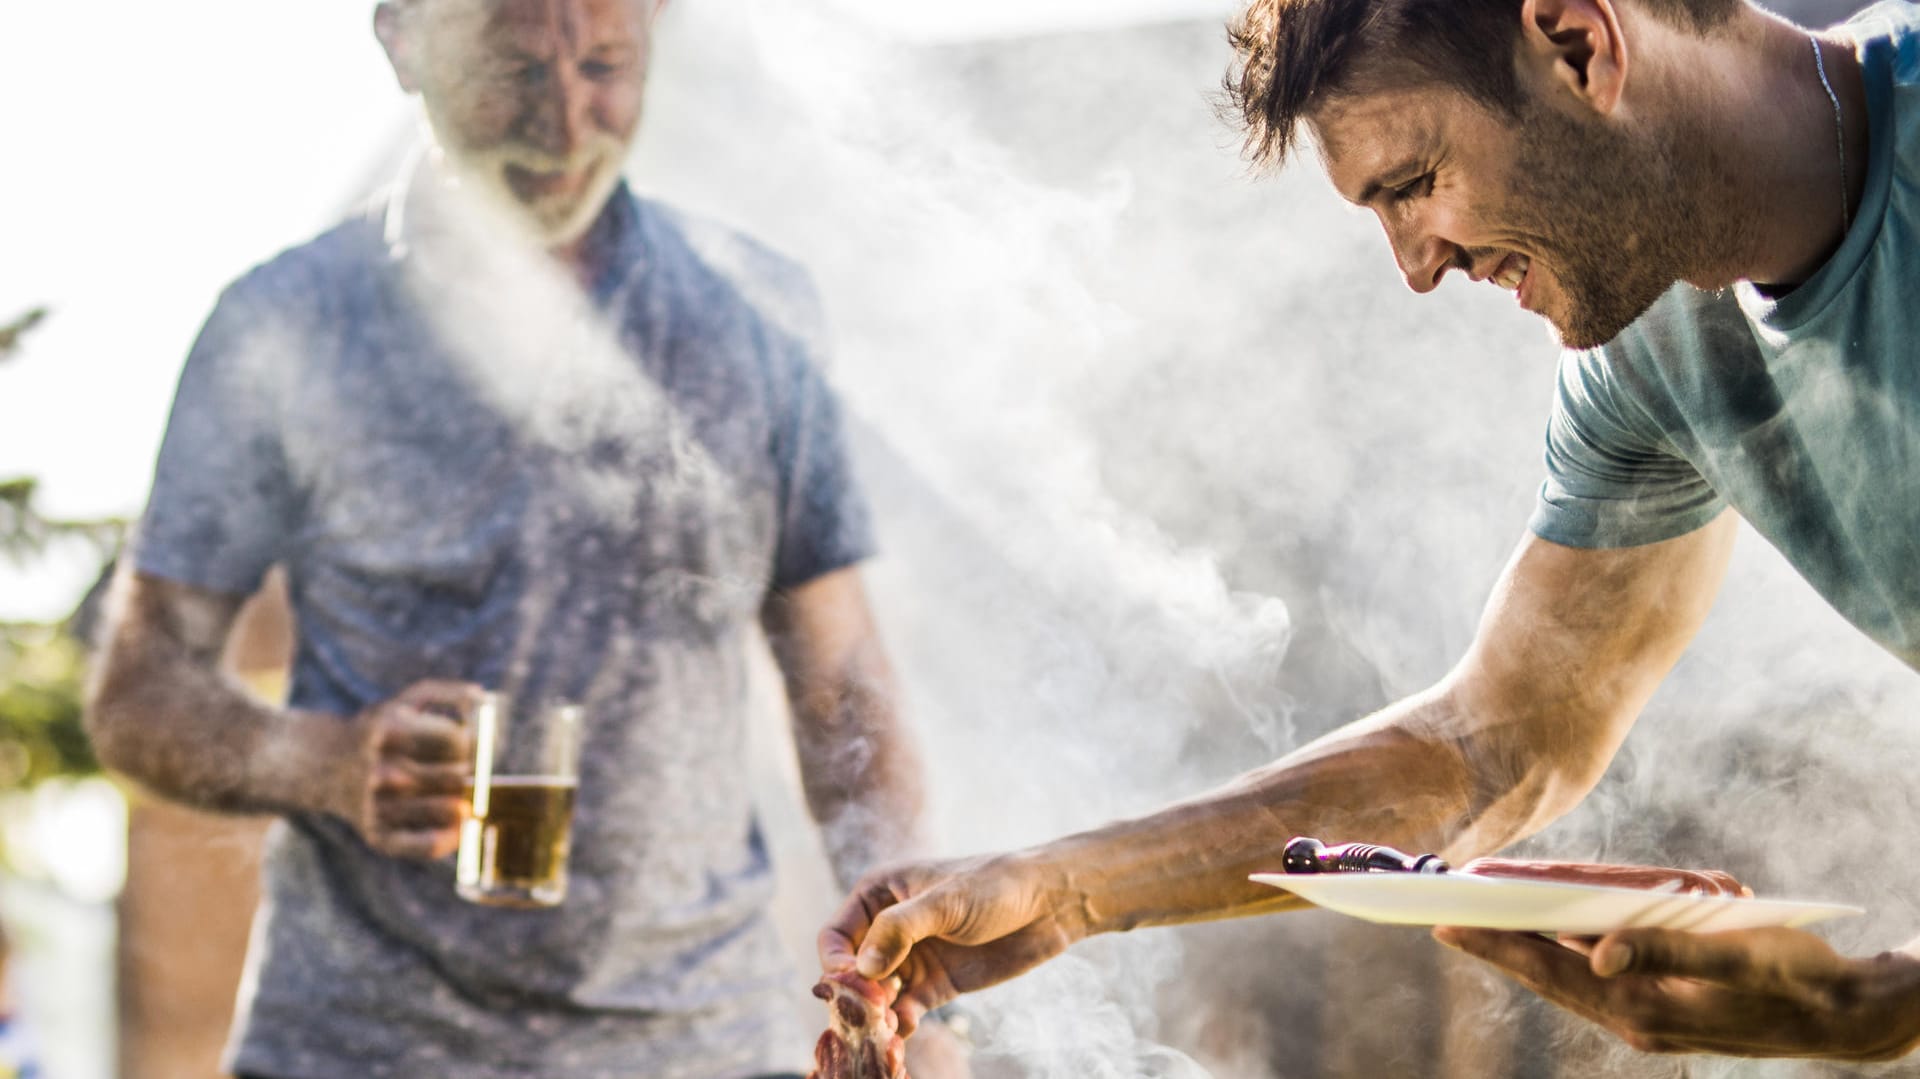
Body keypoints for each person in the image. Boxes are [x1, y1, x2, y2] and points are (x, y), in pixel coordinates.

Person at [817, 0, 1920, 1062]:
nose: (1419, 267)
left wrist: (1885, 1001)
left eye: (1416, 184)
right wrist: (1062, 887)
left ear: (1578, 44)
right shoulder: (1647, 352)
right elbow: (1493, 742)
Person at [85, 1, 965, 1076]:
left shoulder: (757, 308)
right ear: (401, 41)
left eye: (605, 63)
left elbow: (840, 685)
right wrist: (322, 759)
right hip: (355, 1046)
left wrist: (920, 987)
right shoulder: (279, 323)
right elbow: (138, 690)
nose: (564, 125)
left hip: (699, 1045)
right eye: (513, 70)